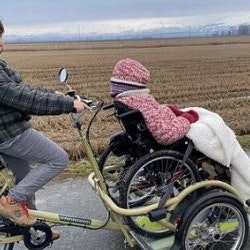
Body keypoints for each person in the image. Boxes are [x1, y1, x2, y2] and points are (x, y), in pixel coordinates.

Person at [110, 58, 250, 204]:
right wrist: (187, 118)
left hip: (156, 133)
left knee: (209, 120)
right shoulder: (141, 103)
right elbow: (165, 135)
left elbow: (154, 117)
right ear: (136, 83)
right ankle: (239, 177)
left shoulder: (125, 100)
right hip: (173, 142)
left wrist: (168, 110)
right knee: (217, 130)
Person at [0, 20, 90, 231]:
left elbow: (23, 90)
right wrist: (68, 104)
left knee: (24, 175)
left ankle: (29, 223)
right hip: (11, 133)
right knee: (58, 158)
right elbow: (21, 98)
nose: (2, 40)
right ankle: (10, 203)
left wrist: (54, 94)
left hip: (5, 132)